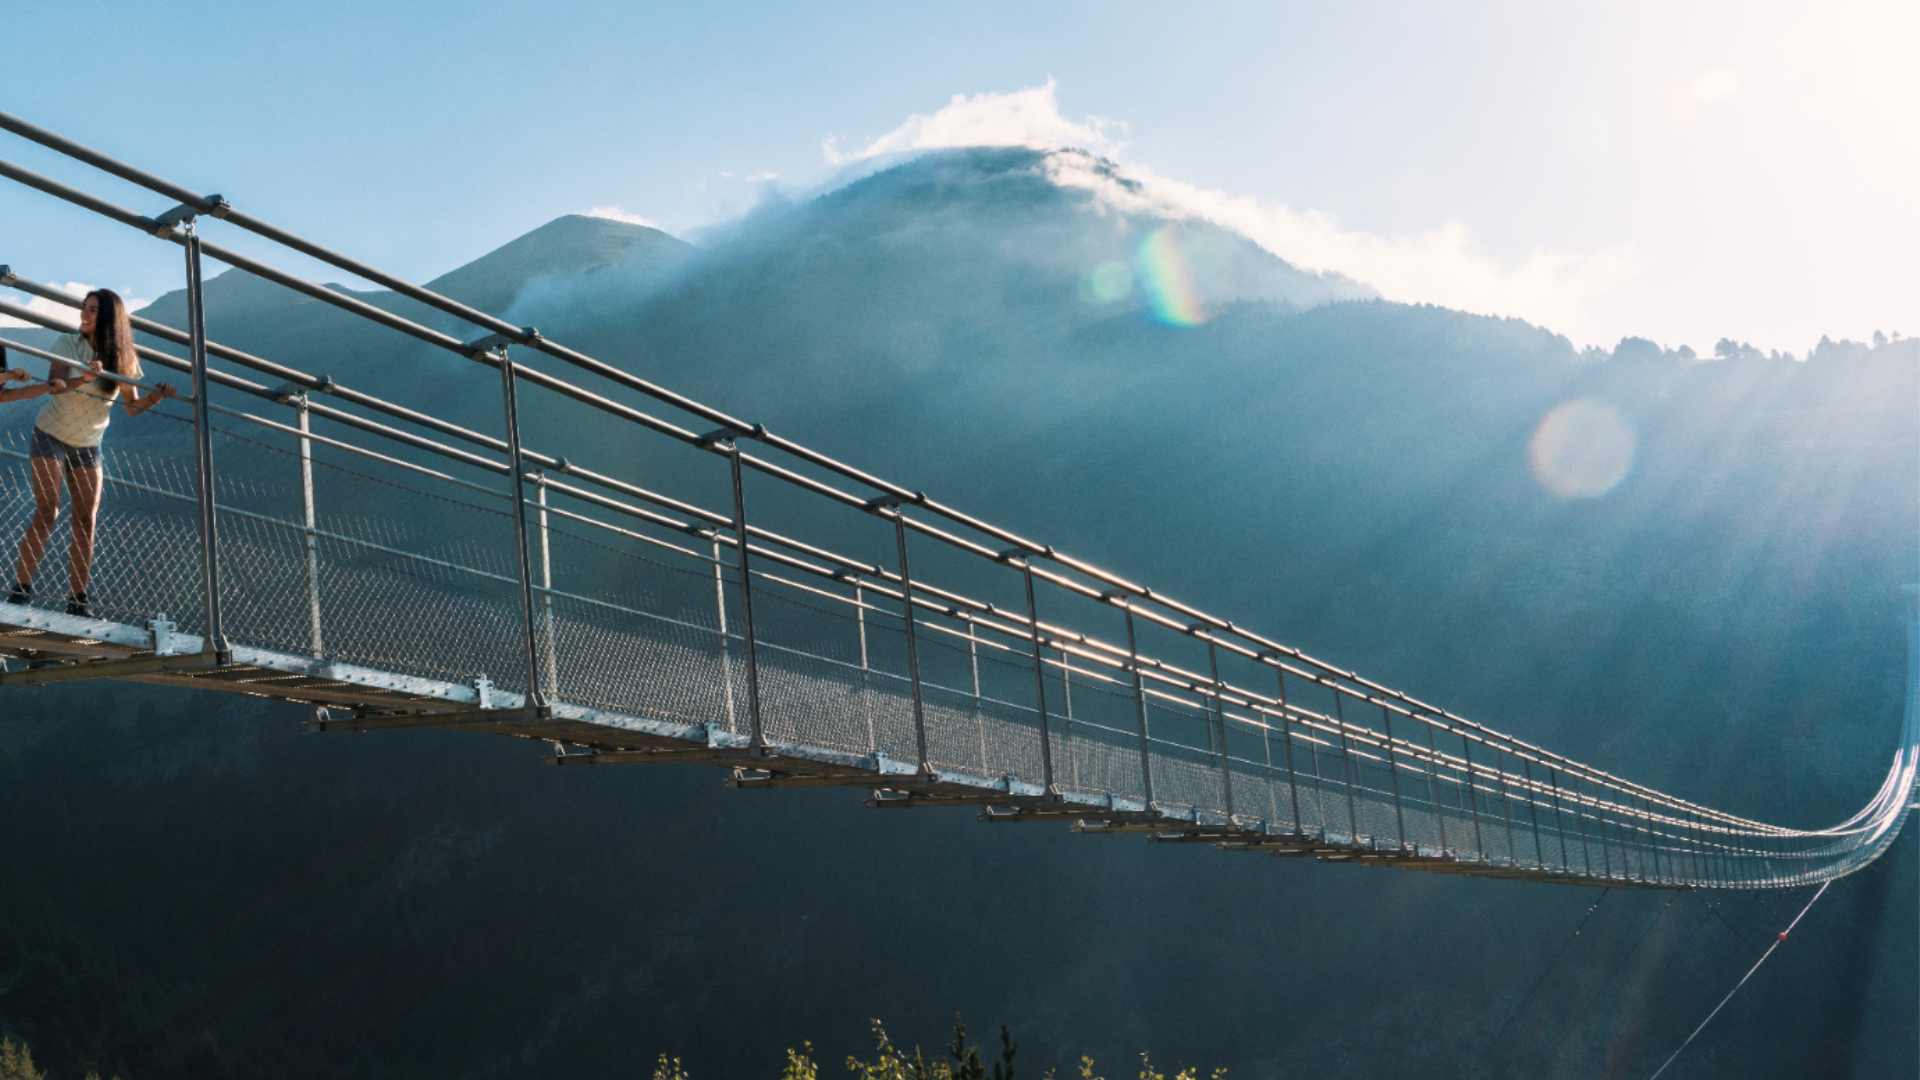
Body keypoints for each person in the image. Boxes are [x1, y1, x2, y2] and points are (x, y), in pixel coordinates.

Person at [7, 290, 175, 616]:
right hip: (51, 434)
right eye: (84, 309)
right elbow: (55, 384)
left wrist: (157, 397)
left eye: (93, 311)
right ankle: (21, 588)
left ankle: (78, 599)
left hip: (88, 443)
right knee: (48, 511)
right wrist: (83, 377)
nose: (84, 315)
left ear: (110, 318)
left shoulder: (125, 359)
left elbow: (132, 407)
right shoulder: (68, 343)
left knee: (86, 520)